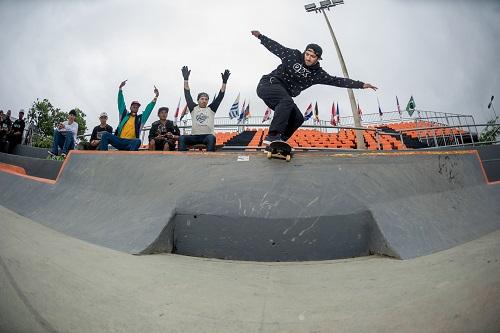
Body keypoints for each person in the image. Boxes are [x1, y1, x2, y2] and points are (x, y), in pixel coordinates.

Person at [251, 30, 378, 144]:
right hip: (269, 84)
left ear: (318, 58)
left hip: (282, 96)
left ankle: (280, 141)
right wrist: (261, 37)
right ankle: (273, 136)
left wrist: (361, 85)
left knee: (298, 118)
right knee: (286, 101)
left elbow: (337, 81)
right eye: (307, 54)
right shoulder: (292, 55)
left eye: (312, 57)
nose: (308, 58)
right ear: (304, 52)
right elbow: (277, 48)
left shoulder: (318, 74)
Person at [178, 66, 230, 152]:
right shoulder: (193, 108)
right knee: (182, 138)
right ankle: (183, 158)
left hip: (207, 136)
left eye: (206, 99)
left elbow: (220, 96)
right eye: (202, 99)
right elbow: (187, 94)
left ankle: (209, 160)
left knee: (211, 138)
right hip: (194, 136)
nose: (204, 101)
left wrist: (224, 82)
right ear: (198, 100)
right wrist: (186, 79)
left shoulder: (211, 109)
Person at [99, 80, 158, 151]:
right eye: (134, 106)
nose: (135, 107)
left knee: (138, 141)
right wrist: (120, 89)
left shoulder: (140, 119)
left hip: (130, 143)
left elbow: (148, 110)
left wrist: (156, 96)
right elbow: (121, 103)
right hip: (119, 141)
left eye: (137, 107)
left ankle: (130, 157)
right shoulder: (124, 114)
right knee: (105, 135)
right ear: (130, 107)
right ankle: (103, 155)